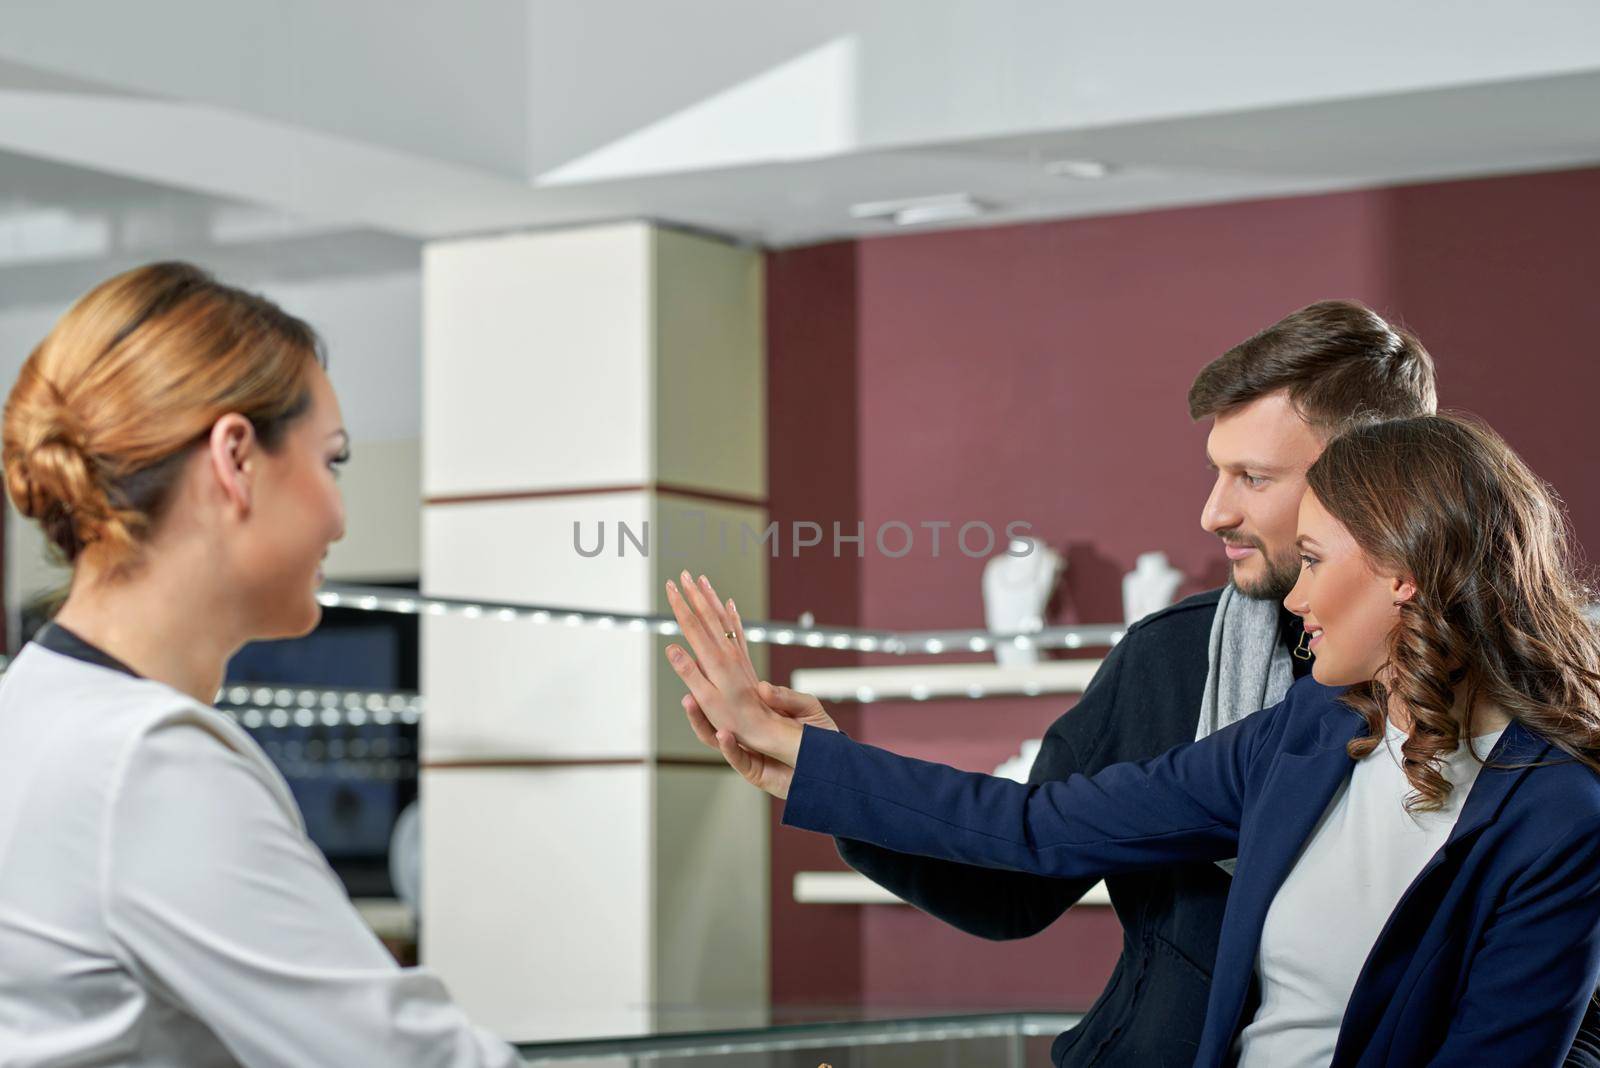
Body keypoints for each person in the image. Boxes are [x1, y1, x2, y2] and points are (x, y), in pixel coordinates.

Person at [667, 414, 1600, 1067]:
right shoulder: (1301, 736)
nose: (1296, 596)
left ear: (1403, 574)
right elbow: (1042, 827)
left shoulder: (1558, 811)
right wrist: (813, 760)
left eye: (1313, 561)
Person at [0, 263, 521, 1066]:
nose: (340, 516)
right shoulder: (147, 765)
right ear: (236, 458)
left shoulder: (33, 714)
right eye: (332, 461)